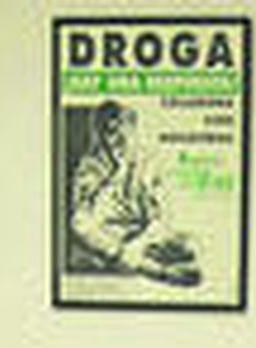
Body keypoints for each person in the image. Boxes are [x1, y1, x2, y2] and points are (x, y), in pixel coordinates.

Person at [67, 100, 202, 287]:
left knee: (188, 243)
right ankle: (159, 273)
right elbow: (81, 218)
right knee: (80, 226)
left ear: (133, 129)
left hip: (142, 236)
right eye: (108, 132)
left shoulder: (148, 161)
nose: (114, 139)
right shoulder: (90, 166)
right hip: (107, 236)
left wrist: (137, 245)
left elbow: (160, 217)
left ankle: (144, 263)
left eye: (122, 129)